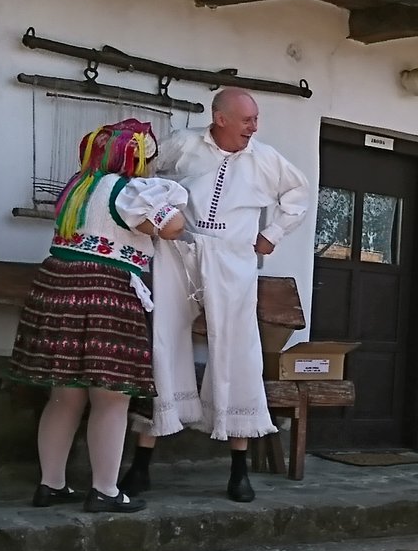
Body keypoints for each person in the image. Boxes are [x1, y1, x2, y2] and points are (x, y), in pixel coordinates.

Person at [127, 87, 312, 504]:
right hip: (177, 251)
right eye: (247, 119)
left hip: (233, 257)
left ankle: (238, 470)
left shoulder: (266, 159)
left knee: (236, 350)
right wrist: (158, 217)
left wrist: (272, 234)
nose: (254, 127)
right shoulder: (184, 144)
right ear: (220, 118)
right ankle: (140, 465)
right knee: (162, 340)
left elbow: (298, 194)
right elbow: (144, 176)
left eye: (256, 119)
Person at [8, 119, 189, 511]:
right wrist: (167, 198)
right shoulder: (128, 191)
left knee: (64, 395)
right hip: (105, 291)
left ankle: (51, 484)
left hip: (58, 287)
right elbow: (173, 227)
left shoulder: (78, 187)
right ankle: (105, 490)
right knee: (111, 396)